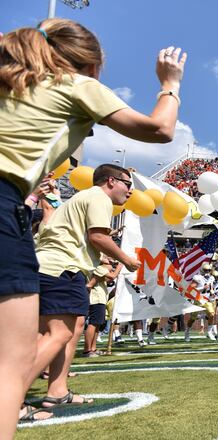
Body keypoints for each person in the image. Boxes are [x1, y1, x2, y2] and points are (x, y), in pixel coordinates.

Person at [1, 17, 185, 427]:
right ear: (90, 66)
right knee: (11, 368)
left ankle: (56, 389)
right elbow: (161, 128)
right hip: (11, 211)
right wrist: (169, 82)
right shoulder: (74, 85)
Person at [30, 164, 142, 415]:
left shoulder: (83, 198)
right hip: (62, 269)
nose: (131, 192)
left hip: (56, 268)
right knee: (58, 333)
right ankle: (10, 394)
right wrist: (126, 259)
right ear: (111, 181)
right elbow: (98, 237)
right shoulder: (99, 197)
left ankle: (57, 391)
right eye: (128, 184)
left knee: (66, 332)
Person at [83, 257, 122, 357]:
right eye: (105, 257)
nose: (108, 259)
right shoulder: (98, 267)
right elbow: (112, 276)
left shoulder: (100, 268)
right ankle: (87, 350)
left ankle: (93, 348)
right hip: (96, 298)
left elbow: (107, 280)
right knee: (93, 323)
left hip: (100, 298)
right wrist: (119, 267)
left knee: (98, 324)